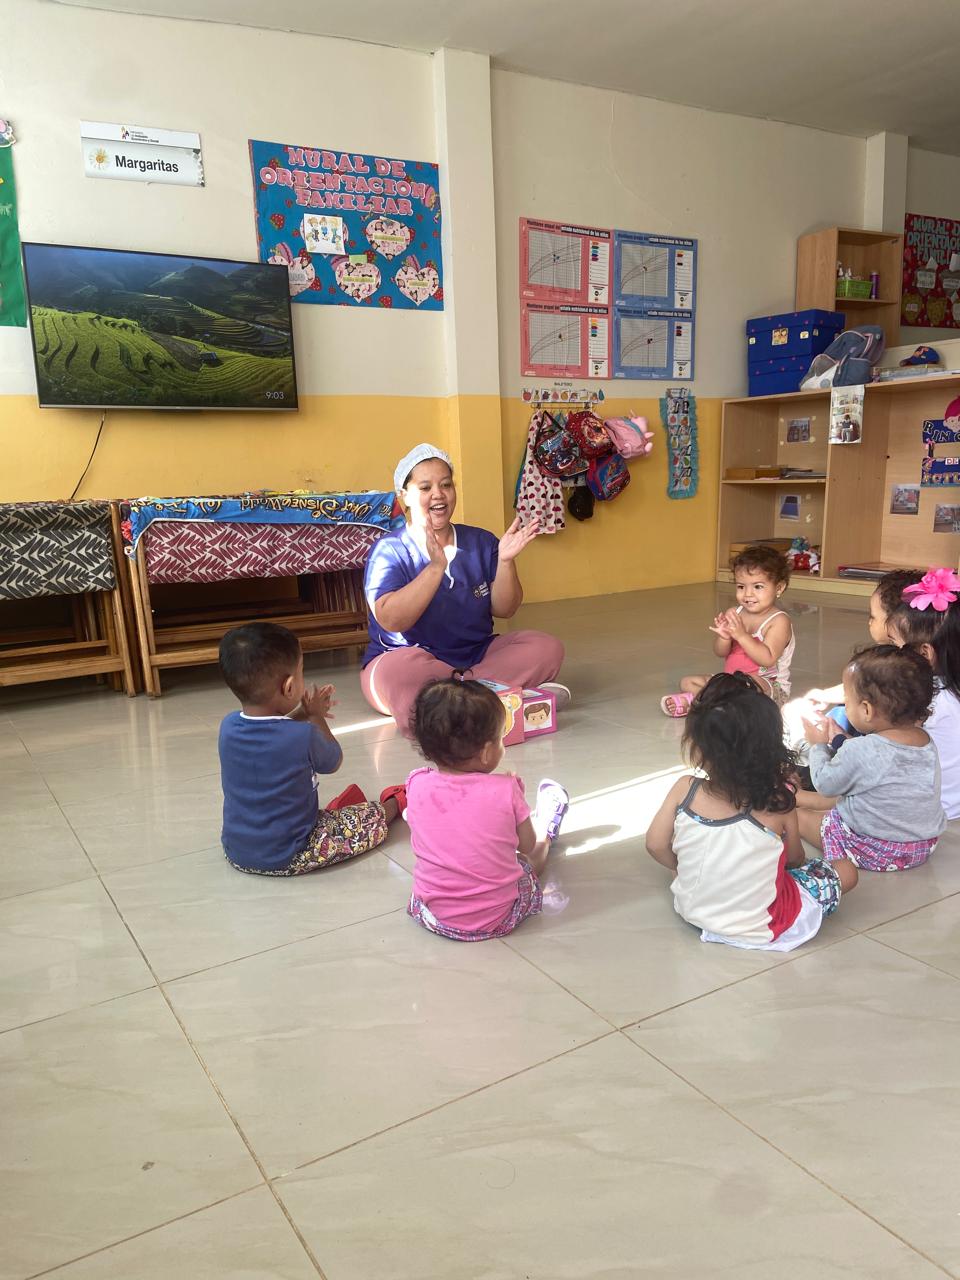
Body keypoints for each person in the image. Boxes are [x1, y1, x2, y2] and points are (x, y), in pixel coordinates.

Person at [360, 443, 567, 737]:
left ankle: (458, 700)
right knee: (402, 674)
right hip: (410, 659)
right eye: (425, 487)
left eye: (446, 485)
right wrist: (435, 568)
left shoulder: (480, 541)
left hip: (476, 655)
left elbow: (505, 609)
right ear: (404, 495)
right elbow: (391, 620)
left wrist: (505, 562)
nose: (438, 494)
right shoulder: (389, 550)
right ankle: (498, 696)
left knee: (546, 648)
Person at [646, 672, 856, 951]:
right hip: (765, 924)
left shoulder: (685, 788)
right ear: (772, 749)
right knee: (846, 871)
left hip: (694, 910)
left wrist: (679, 868)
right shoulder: (778, 803)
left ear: (697, 747)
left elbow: (655, 845)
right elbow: (795, 859)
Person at [217, 622, 404, 875]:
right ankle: (398, 801)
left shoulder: (228, 726)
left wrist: (302, 713)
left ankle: (335, 814)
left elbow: (273, 733)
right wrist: (316, 717)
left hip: (237, 851)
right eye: (301, 671)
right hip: (292, 854)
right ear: (289, 687)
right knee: (372, 817)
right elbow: (333, 760)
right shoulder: (302, 735)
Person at [404, 677, 569, 941]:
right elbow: (526, 845)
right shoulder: (506, 789)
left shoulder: (416, 784)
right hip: (498, 918)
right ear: (486, 752)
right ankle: (548, 827)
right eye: (500, 739)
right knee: (530, 858)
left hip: (433, 916)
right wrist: (516, 801)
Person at [798, 646, 946, 871]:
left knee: (799, 817)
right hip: (921, 846)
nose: (845, 706)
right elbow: (879, 760)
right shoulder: (925, 741)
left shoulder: (863, 749)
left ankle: (797, 809)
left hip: (874, 850)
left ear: (866, 710)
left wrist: (817, 745)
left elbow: (825, 784)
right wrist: (841, 740)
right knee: (842, 804)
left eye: (847, 700)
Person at [661, 545, 794, 716]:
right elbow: (720, 652)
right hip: (730, 681)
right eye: (741, 587)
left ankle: (700, 702)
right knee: (688, 682)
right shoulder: (735, 612)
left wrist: (741, 635)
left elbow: (767, 659)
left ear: (779, 588)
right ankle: (714, 704)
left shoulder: (779, 621)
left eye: (758, 587)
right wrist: (724, 638)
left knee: (747, 685)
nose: (748, 594)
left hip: (768, 687)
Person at [882, 567, 960, 820]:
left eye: (895, 644)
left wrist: (837, 740)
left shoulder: (927, 699)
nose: (892, 652)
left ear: (925, 653)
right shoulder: (951, 690)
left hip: (929, 810)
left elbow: (886, 753)